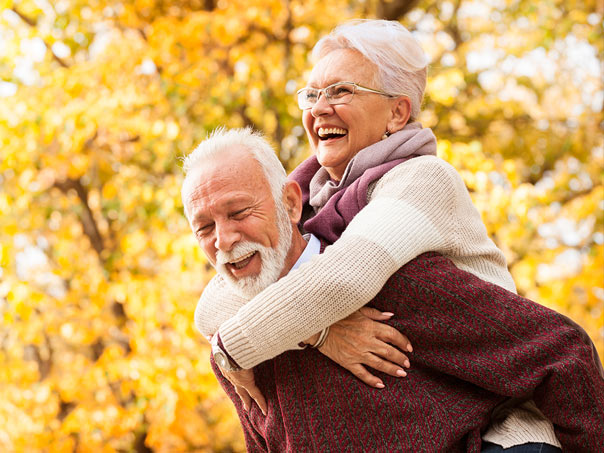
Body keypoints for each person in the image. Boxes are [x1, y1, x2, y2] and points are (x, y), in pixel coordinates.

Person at [191, 19, 600, 450]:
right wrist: (322, 333)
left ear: (397, 112)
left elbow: (344, 279)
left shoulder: (422, 180)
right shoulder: (309, 199)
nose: (318, 108)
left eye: (341, 91)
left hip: (495, 421)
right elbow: (216, 301)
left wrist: (232, 348)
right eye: (311, 95)